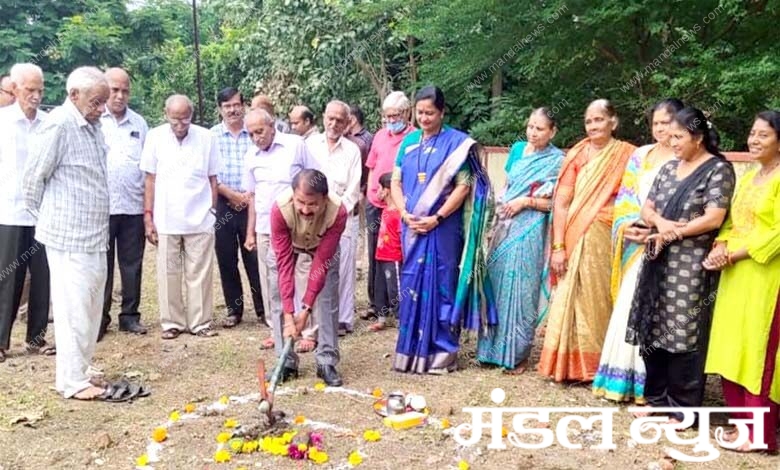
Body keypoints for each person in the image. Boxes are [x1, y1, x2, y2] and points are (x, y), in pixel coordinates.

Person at [625, 107, 735, 426]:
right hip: (658, 258)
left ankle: (682, 407)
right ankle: (656, 399)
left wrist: (674, 231)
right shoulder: (669, 168)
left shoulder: (718, 169)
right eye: (669, 136)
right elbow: (648, 208)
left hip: (690, 263)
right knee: (655, 323)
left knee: (684, 330)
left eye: (679, 137)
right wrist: (660, 223)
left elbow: (714, 217)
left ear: (698, 138)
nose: (671, 143)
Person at [390, 85, 495, 375]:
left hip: (443, 229)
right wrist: (404, 213)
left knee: (442, 284)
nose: (424, 118)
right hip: (411, 227)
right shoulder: (408, 143)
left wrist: (437, 216)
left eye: (430, 113)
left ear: (442, 112)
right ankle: (409, 353)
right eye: (420, 112)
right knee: (411, 286)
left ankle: (442, 354)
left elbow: (464, 186)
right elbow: (395, 183)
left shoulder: (457, 143)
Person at [23, 66, 110, 399]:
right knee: (73, 309)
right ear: (74, 95)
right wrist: (49, 220)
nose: (101, 108)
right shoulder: (58, 125)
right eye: (96, 101)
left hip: (94, 235)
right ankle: (71, 382)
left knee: (90, 306)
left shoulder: (92, 126)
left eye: (102, 102)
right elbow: (32, 180)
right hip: (68, 237)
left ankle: (83, 369)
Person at [592, 98, 684, 403]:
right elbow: (626, 197)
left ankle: (655, 385)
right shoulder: (641, 156)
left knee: (661, 312)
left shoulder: (687, 157)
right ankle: (622, 380)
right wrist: (629, 225)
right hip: (637, 244)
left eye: (666, 123)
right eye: (655, 123)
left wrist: (659, 229)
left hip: (671, 244)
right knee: (632, 307)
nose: (660, 129)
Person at [537, 99, 636, 382]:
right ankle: (567, 367)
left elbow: (634, 199)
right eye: (589, 121)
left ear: (613, 122)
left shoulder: (628, 155)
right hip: (575, 235)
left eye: (599, 120)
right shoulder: (577, 154)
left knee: (599, 298)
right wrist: (558, 246)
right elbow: (563, 203)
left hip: (610, 236)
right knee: (569, 297)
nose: (593, 126)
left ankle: (597, 367)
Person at [703, 110, 780, 452]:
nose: (754, 140)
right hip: (734, 274)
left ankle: (760, 433)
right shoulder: (750, 176)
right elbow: (732, 221)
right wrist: (720, 247)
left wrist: (735, 254)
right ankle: (740, 425)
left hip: (765, 275)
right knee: (731, 345)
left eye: (763, 134)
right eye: (752, 133)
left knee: (758, 350)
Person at [476, 108, 564, 373]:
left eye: (539, 129)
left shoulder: (558, 160)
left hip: (531, 228)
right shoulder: (517, 151)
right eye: (530, 127)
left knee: (522, 288)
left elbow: (557, 204)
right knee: (498, 282)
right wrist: (497, 213)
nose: (533, 133)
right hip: (505, 224)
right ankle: (490, 350)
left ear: (552, 132)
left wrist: (526, 202)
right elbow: (507, 186)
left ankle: (517, 354)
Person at [140, 95, 220, 339]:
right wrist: (148, 216)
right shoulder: (154, 136)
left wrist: (212, 210)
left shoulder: (207, 137)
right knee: (168, 273)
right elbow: (150, 179)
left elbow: (213, 178)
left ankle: (200, 322)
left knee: (200, 273)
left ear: (192, 115)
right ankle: (171, 322)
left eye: (185, 119)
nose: (180, 124)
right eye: (175, 119)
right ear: (166, 114)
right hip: (166, 218)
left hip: (200, 217)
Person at [243, 109, 320, 351]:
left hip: (301, 224)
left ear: (272, 126)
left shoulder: (295, 145)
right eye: (251, 133)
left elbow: (316, 179)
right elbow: (253, 196)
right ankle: (277, 330)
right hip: (267, 226)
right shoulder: (250, 155)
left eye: (260, 131)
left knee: (304, 275)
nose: (256, 137)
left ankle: (309, 331)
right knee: (272, 281)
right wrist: (250, 231)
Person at [269, 169, 347, 386]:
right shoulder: (279, 210)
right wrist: (289, 315)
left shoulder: (338, 212)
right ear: (293, 195)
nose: (305, 209)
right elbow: (284, 265)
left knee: (328, 297)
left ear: (324, 199)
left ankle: (326, 361)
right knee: (277, 293)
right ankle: (285, 362)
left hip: (321, 247)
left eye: (312, 204)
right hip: (289, 246)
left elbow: (321, 263)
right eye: (300, 202)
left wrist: (305, 310)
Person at [0, 63, 51, 362]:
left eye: (40, 90)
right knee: (8, 278)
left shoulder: (48, 123)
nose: (35, 96)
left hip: (44, 212)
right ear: (15, 88)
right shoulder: (3, 122)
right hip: (9, 209)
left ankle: (37, 337)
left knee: (44, 276)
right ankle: (2, 341)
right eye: (30, 90)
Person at [98, 67, 149, 340]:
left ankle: (129, 316)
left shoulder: (139, 124)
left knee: (132, 264)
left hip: (132, 207)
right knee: (101, 266)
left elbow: (148, 168)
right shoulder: (95, 119)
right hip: (101, 209)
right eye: (114, 90)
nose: (119, 96)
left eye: (124, 90)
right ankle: (100, 318)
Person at [211, 87, 265, 328]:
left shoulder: (254, 133)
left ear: (243, 105)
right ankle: (234, 310)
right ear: (219, 110)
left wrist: (246, 197)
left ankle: (264, 309)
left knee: (254, 257)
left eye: (236, 104)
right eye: (227, 106)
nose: (232, 110)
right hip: (223, 203)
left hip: (252, 203)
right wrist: (229, 194)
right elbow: (210, 174)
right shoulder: (211, 137)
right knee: (226, 258)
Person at [307, 100, 362, 337]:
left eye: (340, 120)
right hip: (312, 216)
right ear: (323, 117)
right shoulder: (309, 145)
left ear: (347, 122)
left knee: (344, 267)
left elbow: (353, 189)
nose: (334, 123)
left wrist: (336, 215)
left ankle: (343, 319)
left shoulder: (352, 150)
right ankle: (317, 318)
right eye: (331, 118)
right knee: (315, 268)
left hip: (342, 217)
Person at [364, 92, 415, 321]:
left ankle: (401, 306)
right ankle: (377, 304)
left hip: (400, 206)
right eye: (387, 116)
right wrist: (369, 193)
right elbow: (372, 167)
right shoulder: (379, 136)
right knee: (377, 252)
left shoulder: (415, 137)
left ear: (406, 113)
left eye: (394, 115)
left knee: (399, 254)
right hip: (376, 203)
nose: (390, 120)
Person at [369, 173, 402, 332]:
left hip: (393, 257)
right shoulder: (386, 210)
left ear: (387, 190)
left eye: (380, 188)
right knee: (380, 287)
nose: (377, 191)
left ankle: (400, 318)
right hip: (381, 256)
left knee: (394, 288)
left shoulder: (398, 213)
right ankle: (381, 318)